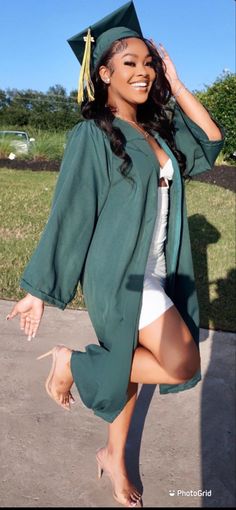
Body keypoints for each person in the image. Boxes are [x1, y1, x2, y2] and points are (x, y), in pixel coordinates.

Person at [6, 1, 225, 507]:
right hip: (120, 276)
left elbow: (212, 142)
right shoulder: (93, 134)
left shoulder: (157, 133)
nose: (143, 72)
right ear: (102, 72)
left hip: (158, 272)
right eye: (130, 63)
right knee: (180, 363)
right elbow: (72, 212)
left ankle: (113, 455)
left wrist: (178, 79)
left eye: (149, 63)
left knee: (127, 362)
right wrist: (38, 292)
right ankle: (73, 363)